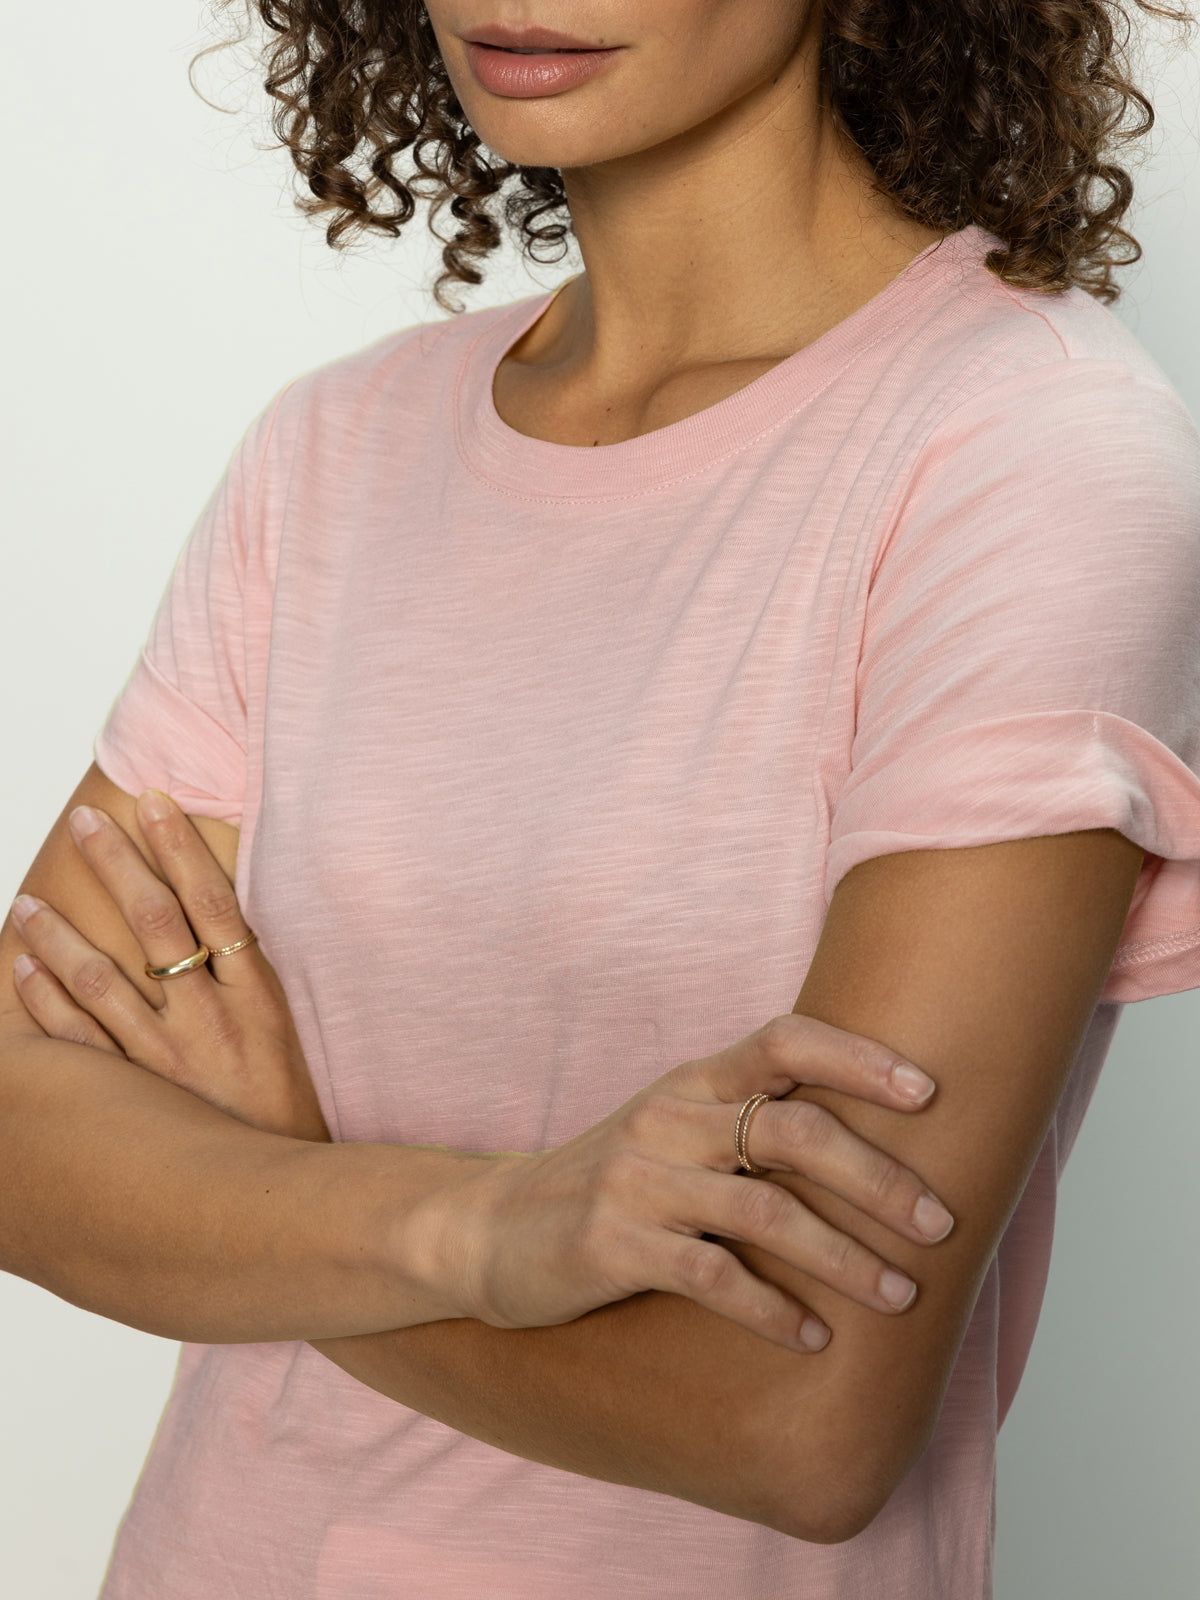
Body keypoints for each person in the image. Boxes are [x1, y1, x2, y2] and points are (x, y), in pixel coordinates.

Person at [2, 1, 1199, 1596]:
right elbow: (23, 1134)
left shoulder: (1022, 453)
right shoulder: (332, 451)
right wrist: (481, 1239)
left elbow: (796, 1419)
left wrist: (265, 1184)